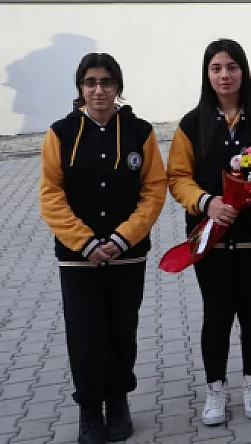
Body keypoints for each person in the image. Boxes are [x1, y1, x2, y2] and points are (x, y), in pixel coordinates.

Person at [39, 53, 166, 444]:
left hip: (127, 254)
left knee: (121, 330)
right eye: (91, 82)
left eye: (107, 82)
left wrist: (122, 237)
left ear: (118, 87)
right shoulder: (59, 133)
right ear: (80, 87)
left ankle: (119, 401)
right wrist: (86, 242)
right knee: (85, 333)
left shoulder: (139, 132)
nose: (99, 90)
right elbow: (51, 195)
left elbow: (153, 189)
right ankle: (90, 409)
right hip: (79, 259)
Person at [167, 39, 251, 426]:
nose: (224, 75)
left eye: (232, 67)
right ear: (207, 73)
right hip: (210, 237)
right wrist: (206, 203)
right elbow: (178, 178)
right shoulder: (191, 123)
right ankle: (215, 389)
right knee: (217, 313)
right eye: (217, 68)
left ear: (243, 71)